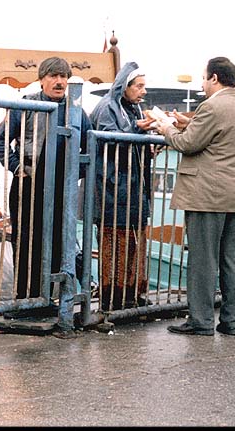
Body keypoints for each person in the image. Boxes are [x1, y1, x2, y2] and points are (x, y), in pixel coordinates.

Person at [0, 57, 92, 338]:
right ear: (42, 79)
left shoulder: (77, 113)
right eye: (54, 76)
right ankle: (26, 301)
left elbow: (88, 150)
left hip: (62, 188)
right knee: (27, 241)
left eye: (64, 77)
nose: (60, 82)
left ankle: (49, 300)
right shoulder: (26, 106)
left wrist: (74, 174)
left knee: (60, 243)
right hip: (28, 187)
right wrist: (17, 168)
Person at [156, 57, 235, 336]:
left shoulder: (211, 106)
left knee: (203, 260)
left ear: (214, 78)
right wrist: (191, 122)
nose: (201, 83)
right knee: (231, 260)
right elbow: (222, 137)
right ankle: (231, 321)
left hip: (207, 195)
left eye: (203, 78)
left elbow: (188, 144)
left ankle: (200, 321)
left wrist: (166, 128)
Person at [89, 61, 154, 311]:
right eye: (139, 86)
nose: (143, 91)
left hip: (134, 189)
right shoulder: (108, 108)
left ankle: (131, 293)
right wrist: (136, 130)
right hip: (112, 189)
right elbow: (110, 141)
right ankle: (111, 297)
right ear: (125, 87)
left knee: (136, 243)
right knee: (113, 245)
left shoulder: (133, 109)